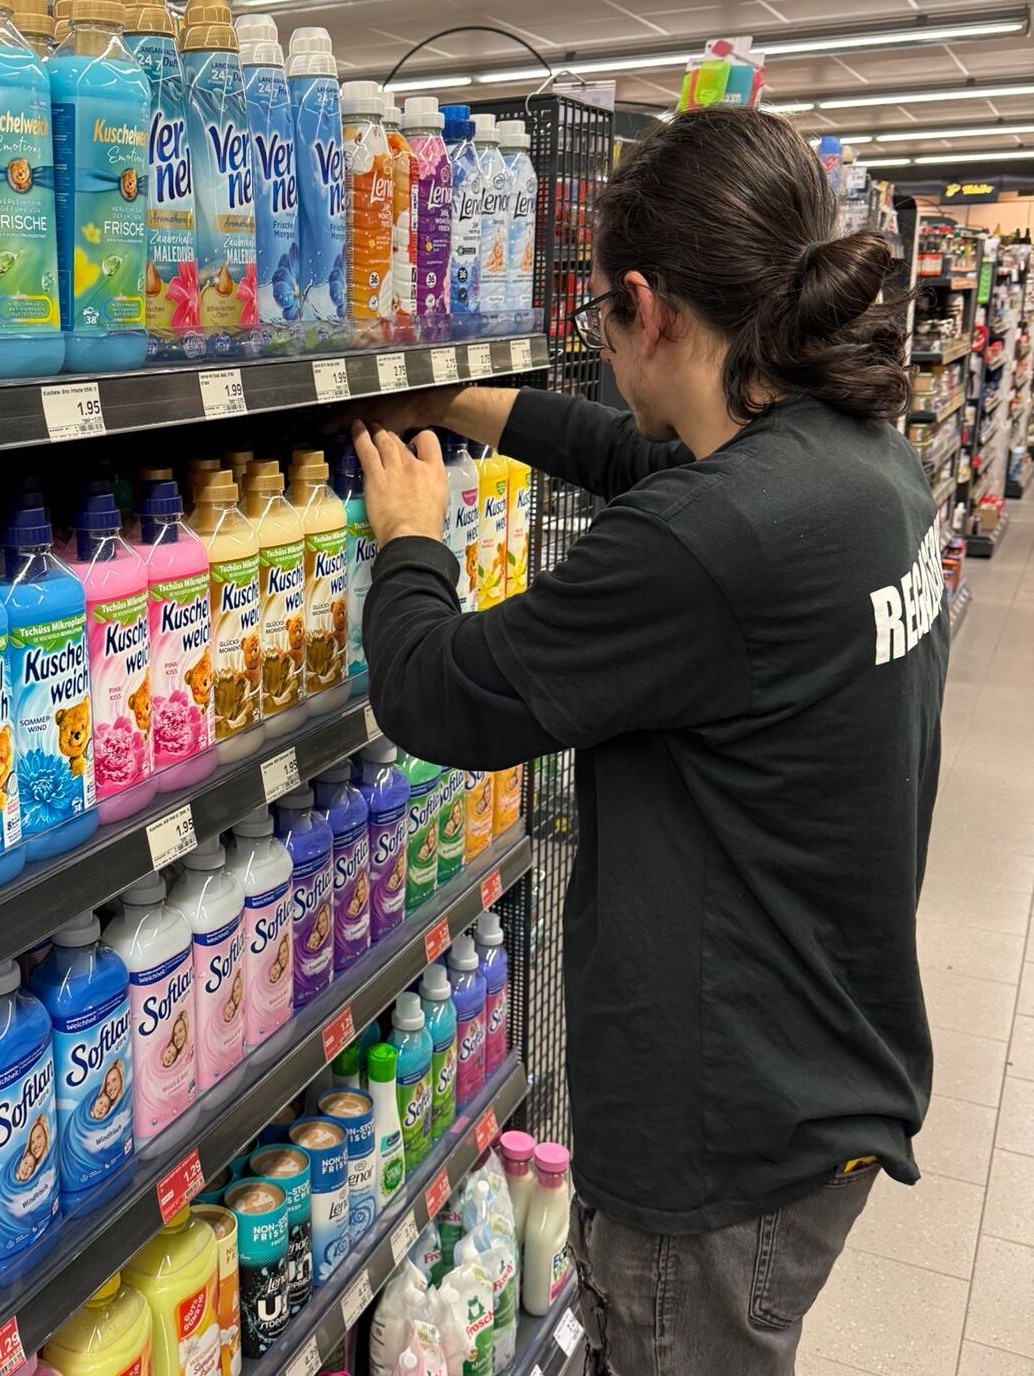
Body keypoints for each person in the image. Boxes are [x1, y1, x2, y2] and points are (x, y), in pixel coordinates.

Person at [349, 108, 944, 1375]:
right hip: (827, 1064)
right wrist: (462, 403)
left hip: (715, 1141)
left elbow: (436, 692)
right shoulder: (864, 462)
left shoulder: (710, 543)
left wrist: (410, 540)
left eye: (600, 322)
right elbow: (641, 455)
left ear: (644, 307)